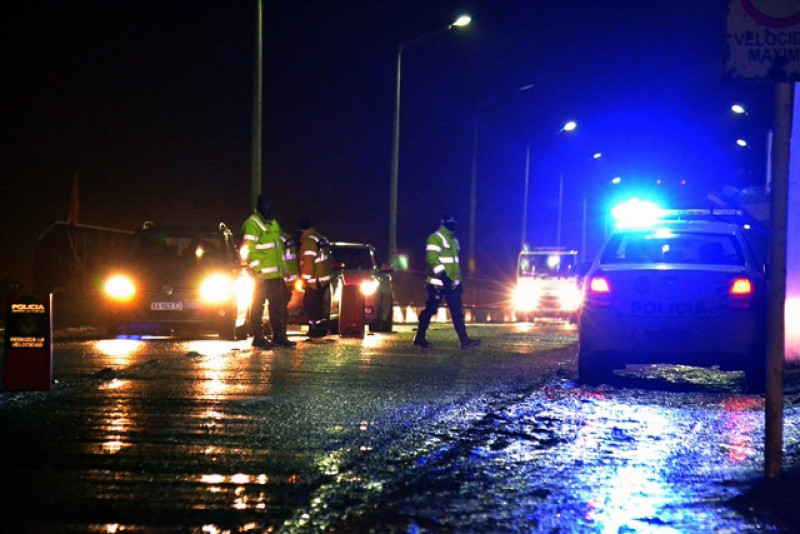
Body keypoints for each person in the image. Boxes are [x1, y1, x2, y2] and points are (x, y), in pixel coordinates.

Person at [413, 212, 480, 350]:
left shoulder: (454, 241)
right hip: (437, 283)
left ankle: (464, 341)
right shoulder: (435, 238)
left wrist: (458, 281)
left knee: (456, 311)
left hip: (451, 284)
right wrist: (443, 275)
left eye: (455, 220)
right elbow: (432, 258)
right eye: (450, 220)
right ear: (442, 221)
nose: (453, 223)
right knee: (431, 310)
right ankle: (420, 338)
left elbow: (455, 264)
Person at [241, 194, 295, 348]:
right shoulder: (252, 223)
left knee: (276, 306)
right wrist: (257, 271)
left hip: (275, 275)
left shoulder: (273, 223)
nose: (268, 207)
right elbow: (250, 250)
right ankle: (258, 337)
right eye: (265, 204)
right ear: (259, 206)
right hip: (262, 275)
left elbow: (278, 249)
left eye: (269, 204)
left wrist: (283, 267)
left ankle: (278, 336)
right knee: (258, 305)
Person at [296, 217, 332, 338]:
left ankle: (316, 329)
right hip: (323, 278)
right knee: (317, 304)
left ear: (301, 230)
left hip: (315, 279)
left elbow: (308, 264)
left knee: (310, 304)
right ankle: (319, 328)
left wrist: (304, 279)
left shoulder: (309, 242)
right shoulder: (320, 238)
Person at [280, 230, 299, 331]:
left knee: (276, 306)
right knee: (282, 306)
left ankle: (278, 332)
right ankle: (281, 332)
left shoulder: (264, 237)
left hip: (274, 278)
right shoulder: (286, 237)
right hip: (287, 279)